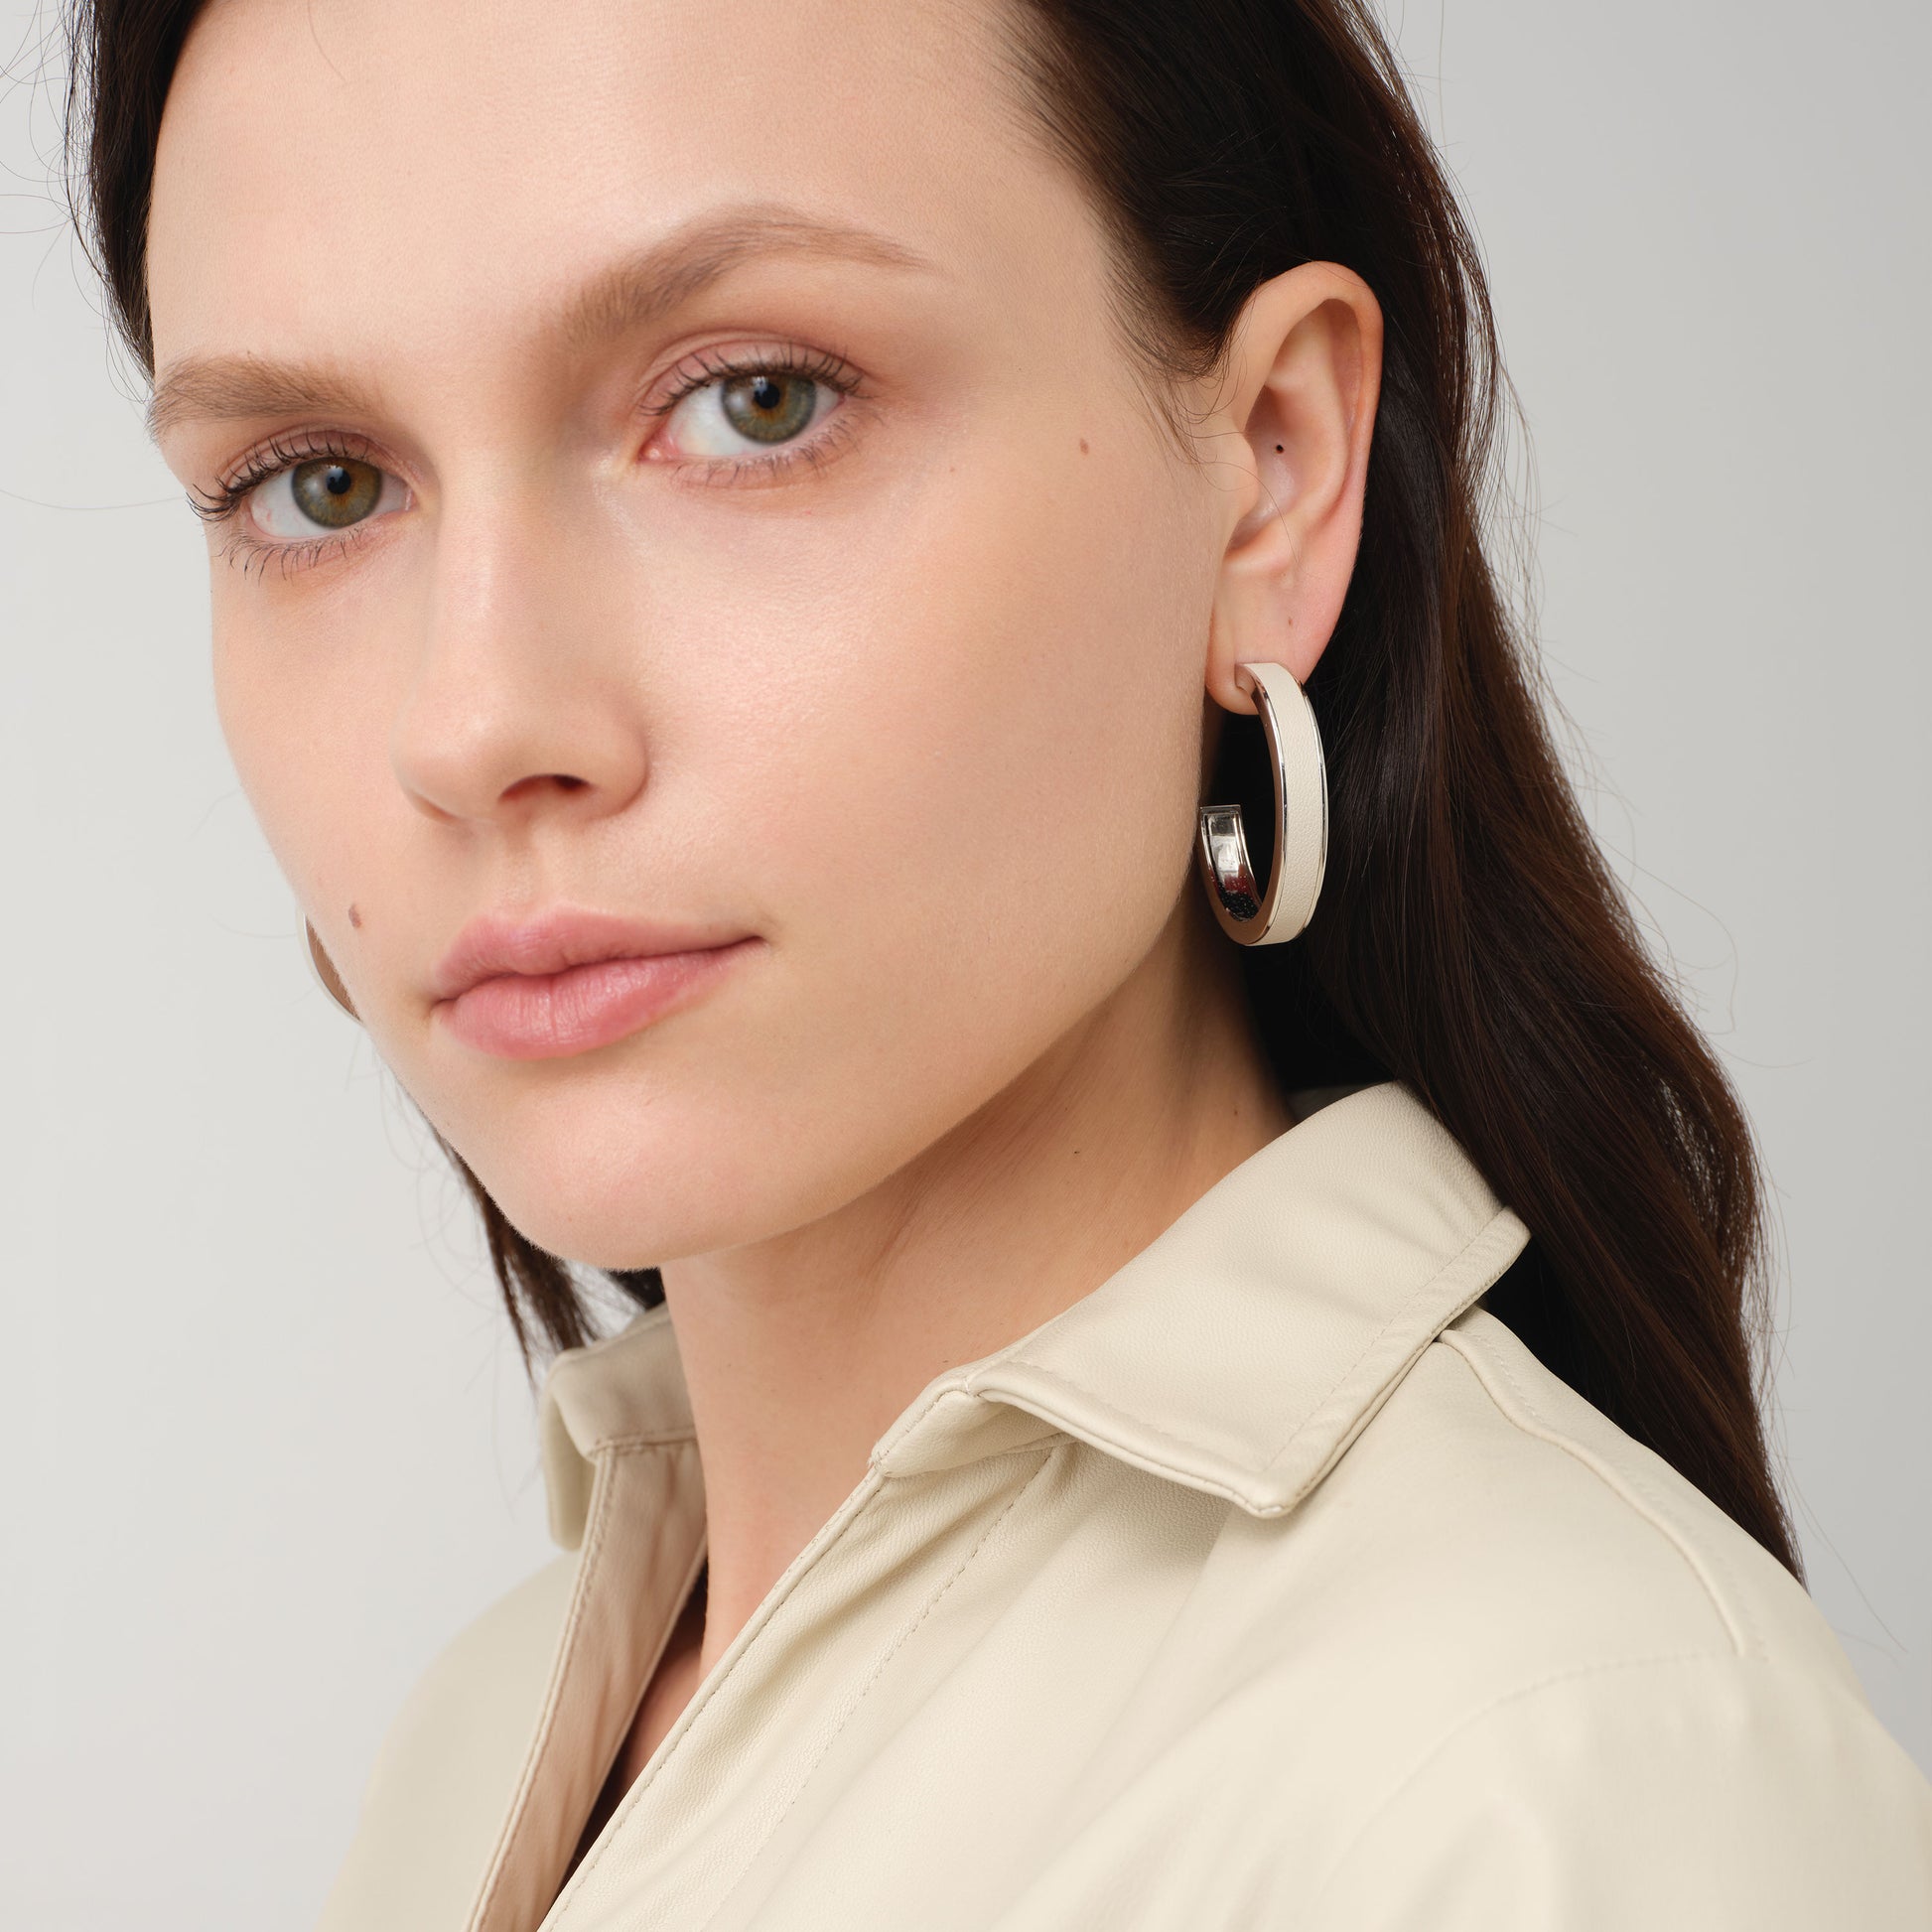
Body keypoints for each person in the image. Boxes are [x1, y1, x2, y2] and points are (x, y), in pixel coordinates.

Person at [67, 0, 1931, 1924]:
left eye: (755, 401)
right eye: (320, 484)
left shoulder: (1548, 1779)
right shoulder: (489, 1734)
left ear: (1271, 469)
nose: (472, 720)